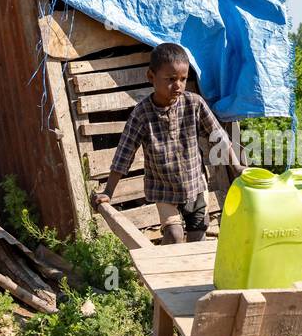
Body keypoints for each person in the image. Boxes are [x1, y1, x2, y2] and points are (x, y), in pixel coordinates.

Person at [92, 43, 243, 244]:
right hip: (164, 190)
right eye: (171, 79)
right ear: (151, 77)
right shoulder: (142, 114)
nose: (178, 85)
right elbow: (124, 154)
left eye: (182, 78)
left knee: (197, 236)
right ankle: (158, 266)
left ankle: (187, 274)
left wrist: (237, 166)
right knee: (174, 235)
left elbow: (219, 137)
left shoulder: (194, 104)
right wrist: (108, 192)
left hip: (195, 185)